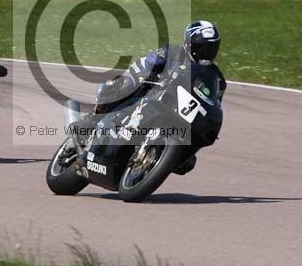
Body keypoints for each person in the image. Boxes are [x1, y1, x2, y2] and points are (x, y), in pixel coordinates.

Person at [78, 20, 226, 174]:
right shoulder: (172, 52)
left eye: (211, 48)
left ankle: (150, 160)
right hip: (147, 95)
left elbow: (213, 103)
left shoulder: (217, 78)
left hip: (176, 112)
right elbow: (145, 63)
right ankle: (92, 119)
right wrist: (144, 76)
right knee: (121, 84)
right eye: (202, 47)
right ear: (189, 44)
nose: (206, 53)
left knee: (188, 162)